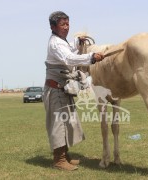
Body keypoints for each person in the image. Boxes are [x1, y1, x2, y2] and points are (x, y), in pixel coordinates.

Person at [43, 11, 104, 171]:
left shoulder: (61, 41)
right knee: (59, 124)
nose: (66, 27)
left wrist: (78, 41)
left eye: (67, 24)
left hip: (62, 89)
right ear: (53, 27)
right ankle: (59, 160)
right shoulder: (56, 44)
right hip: (55, 90)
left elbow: (69, 49)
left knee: (67, 123)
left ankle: (65, 156)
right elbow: (69, 58)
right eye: (62, 25)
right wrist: (91, 57)